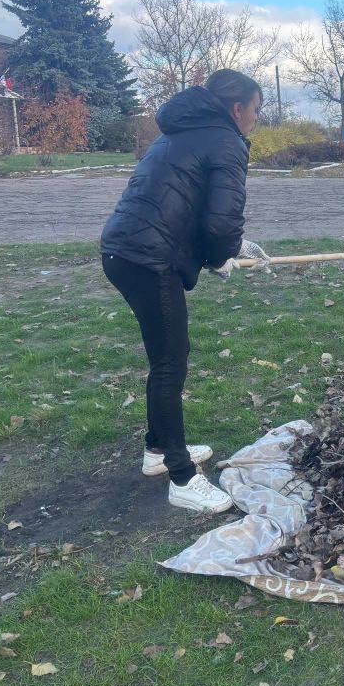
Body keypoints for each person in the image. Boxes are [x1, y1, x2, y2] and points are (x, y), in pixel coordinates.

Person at [100, 68, 271, 514]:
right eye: (255, 110)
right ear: (237, 109)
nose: (256, 119)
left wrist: (229, 248)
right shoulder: (227, 140)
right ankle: (181, 477)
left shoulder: (183, 131)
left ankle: (157, 452)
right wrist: (221, 253)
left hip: (125, 251)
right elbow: (219, 222)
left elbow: (186, 206)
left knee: (168, 356)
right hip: (147, 260)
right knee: (170, 362)